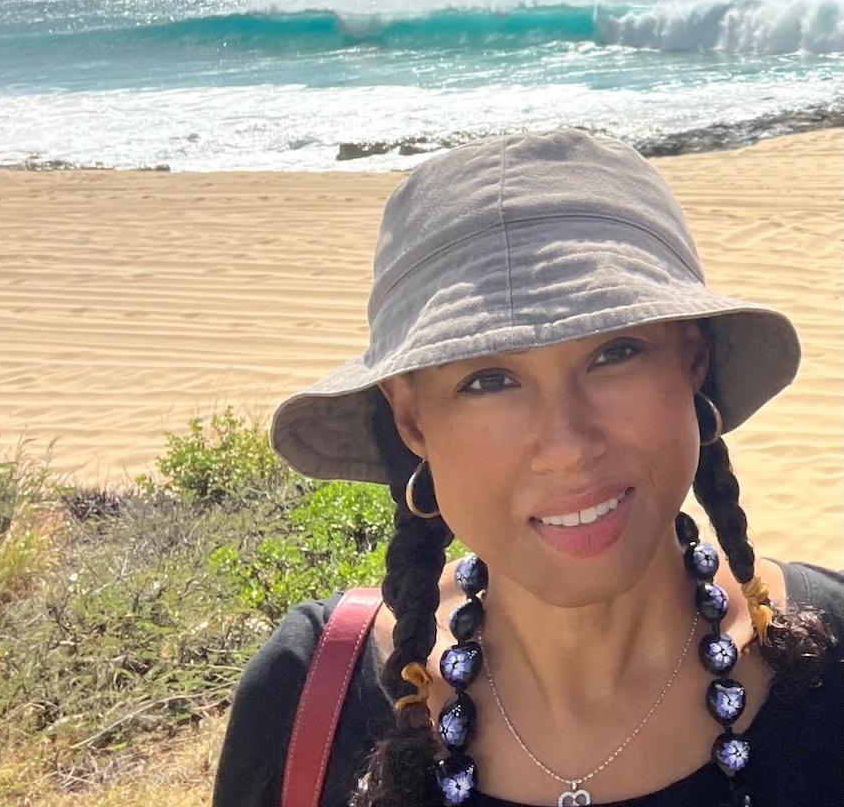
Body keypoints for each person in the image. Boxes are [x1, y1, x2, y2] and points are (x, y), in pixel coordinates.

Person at [212, 129, 843, 807]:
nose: (566, 444)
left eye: (615, 352)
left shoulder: (829, 658)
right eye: (488, 381)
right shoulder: (312, 692)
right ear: (411, 419)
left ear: (693, 360)